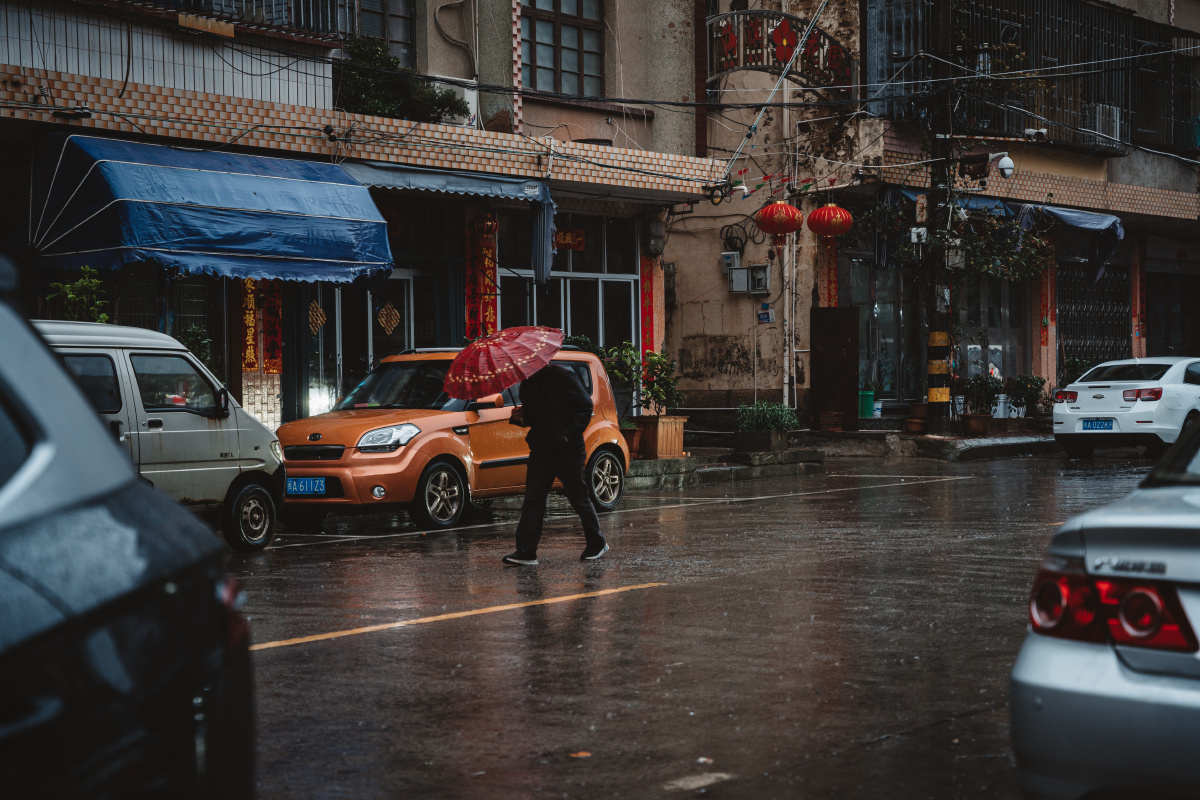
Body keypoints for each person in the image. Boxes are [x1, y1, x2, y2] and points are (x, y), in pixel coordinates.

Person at [502, 362, 608, 565]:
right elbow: (534, 418)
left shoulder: (562, 376)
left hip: (568, 450)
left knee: (578, 497)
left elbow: (585, 406)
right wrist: (520, 418)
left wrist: (567, 435)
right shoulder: (526, 386)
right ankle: (526, 551)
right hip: (541, 450)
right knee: (533, 499)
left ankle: (597, 542)